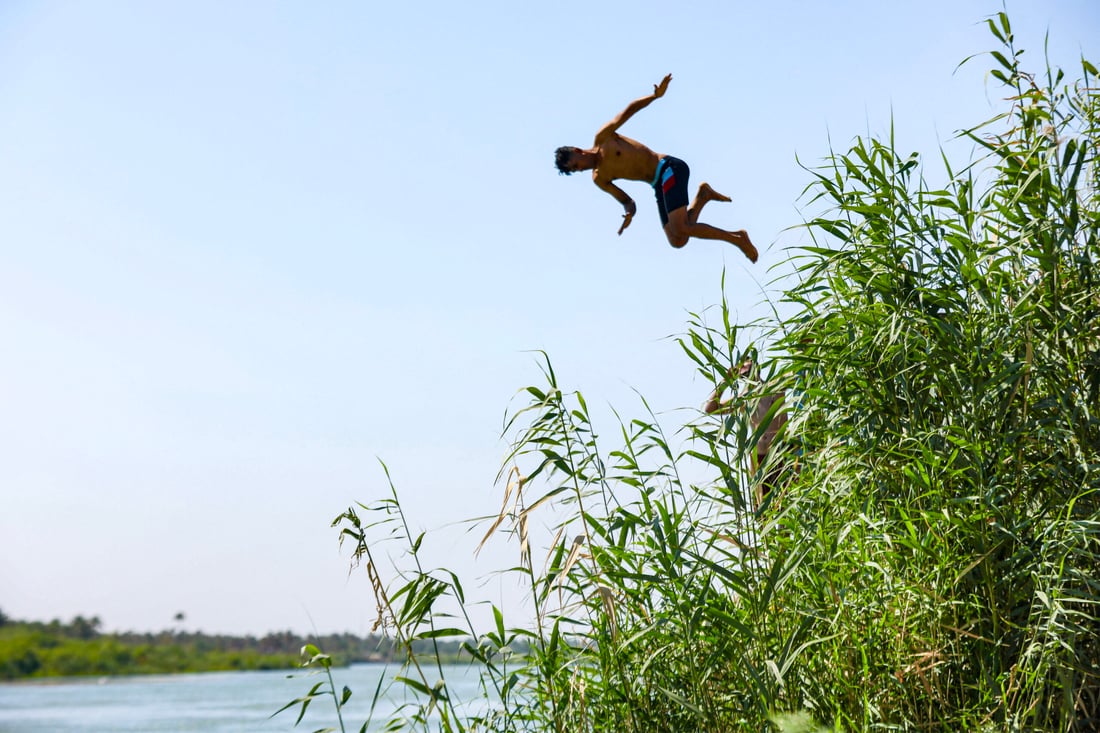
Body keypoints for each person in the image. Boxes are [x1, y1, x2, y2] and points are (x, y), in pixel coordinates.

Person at [554, 74, 757, 262]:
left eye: (575, 164)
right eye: (574, 170)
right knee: (678, 240)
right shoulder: (599, 178)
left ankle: (738, 238)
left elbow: (627, 112)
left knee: (682, 227)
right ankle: (703, 196)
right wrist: (629, 214)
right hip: (657, 183)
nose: (579, 169)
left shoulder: (604, 139)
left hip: (668, 167)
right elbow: (627, 201)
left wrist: (655, 96)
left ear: (578, 150)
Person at [705, 359, 790, 507]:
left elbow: (799, 369)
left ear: (756, 365)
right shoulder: (744, 399)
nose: (743, 367)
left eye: (746, 362)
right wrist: (725, 380)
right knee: (762, 510)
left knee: (785, 505)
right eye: (740, 365)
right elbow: (710, 408)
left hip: (780, 454)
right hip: (759, 460)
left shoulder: (776, 386)